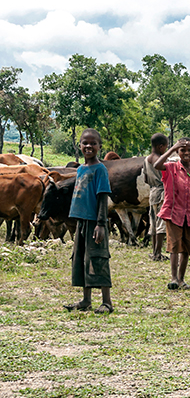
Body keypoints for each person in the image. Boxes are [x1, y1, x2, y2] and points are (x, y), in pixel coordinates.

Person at [63, 128, 114, 314]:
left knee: (98, 258)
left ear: (100, 147)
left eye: (93, 143)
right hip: (83, 222)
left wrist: (101, 224)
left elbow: (102, 197)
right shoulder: (81, 169)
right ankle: (86, 300)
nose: (89, 146)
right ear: (79, 146)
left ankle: (107, 302)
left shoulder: (100, 169)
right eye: (85, 143)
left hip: (95, 222)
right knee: (83, 258)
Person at [154, 137, 190, 290]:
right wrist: (171, 149)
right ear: (178, 152)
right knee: (174, 246)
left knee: (186, 248)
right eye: (182, 150)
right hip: (173, 212)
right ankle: (173, 278)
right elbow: (157, 165)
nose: (186, 153)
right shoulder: (171, 167)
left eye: (189, 150)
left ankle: (182, 280)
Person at [144, 133, 169, 261]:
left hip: (152, 192)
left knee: (153, 223)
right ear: (161, 146)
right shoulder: (161, 160)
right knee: (161, 224)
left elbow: (145, 179)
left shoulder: (146, 159)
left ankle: (154, 252)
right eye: (166, 147)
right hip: (162, 192)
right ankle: (158, 253)